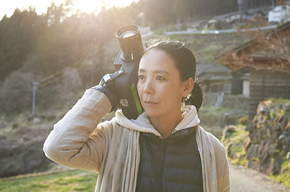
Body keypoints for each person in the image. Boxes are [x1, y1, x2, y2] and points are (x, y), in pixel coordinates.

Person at [43, 40, 230, 192]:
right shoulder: (114, 137)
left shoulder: (213, 151)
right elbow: (57, 147)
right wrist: (105, 93)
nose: (147, 88)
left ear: (186, 86)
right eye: (141, 77)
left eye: (160, 78)